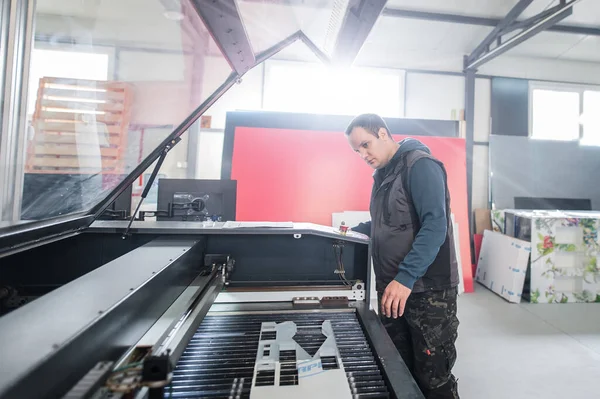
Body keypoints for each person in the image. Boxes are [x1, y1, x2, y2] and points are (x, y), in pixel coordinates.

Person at [345, 113, 460, 399]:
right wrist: (349, 233)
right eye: (357, 150)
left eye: (366, 144)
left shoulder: (420, 166)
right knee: (400, 371)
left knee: (433, 378)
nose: (363, 154)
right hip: (393, 288)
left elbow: (435, 225)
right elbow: (389, 223)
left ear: (383, 133)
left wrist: (405, 277)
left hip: (425, 291)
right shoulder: (385, 174)